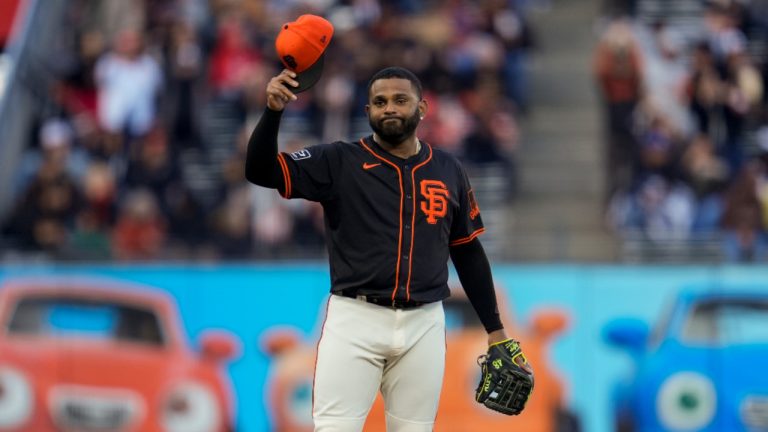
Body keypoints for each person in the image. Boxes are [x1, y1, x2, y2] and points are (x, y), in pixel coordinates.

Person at [245, 66, 531, 431]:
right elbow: (260, 171)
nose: (390, 108)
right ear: (367, 113)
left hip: (424, 323)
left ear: (423, 107)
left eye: (400, 99)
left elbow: (467, 252)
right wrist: (272, 111)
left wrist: (495, 329)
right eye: (379, 102)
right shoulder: (339, 161)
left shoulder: (447, 169)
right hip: (355, 318)